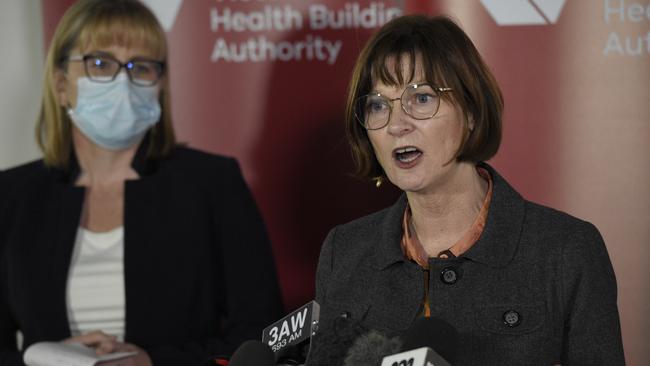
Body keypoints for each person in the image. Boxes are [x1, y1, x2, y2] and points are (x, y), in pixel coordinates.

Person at [314, 15, 625, 365]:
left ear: (472, 111)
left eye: (421, 99)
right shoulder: (344, 252)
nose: (397, 125)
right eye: (378, 105)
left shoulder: (566, 250)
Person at [0, 1, 283, 365]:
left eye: (141, 67)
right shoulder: (12, 196)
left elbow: (265, 335)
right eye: (100, 64)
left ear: (160, 85)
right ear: (60, 85)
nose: (122, 80)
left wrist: (151, 362)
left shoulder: (212, 184)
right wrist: (42, 360)